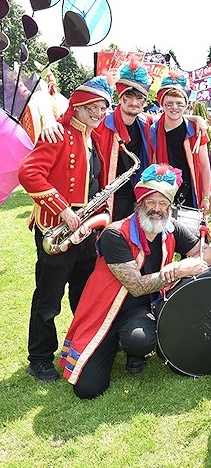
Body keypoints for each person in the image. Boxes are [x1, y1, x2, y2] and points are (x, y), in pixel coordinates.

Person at [58, 164, 211, 399]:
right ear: (140, 203)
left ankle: (133, 351)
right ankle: (109, 345)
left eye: (163, 204)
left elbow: (209, 254)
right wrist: (178, 269)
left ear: (170, 208)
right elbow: (136, 286)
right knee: (87, 390)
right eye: (150, 203)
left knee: (140, 340)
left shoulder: (172, 229)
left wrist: (195, 259)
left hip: (139, 311)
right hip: (104, 313)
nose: (157, 209)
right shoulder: (115, 234)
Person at [18, 77, 113, 382]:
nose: (99, 113)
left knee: (83, 294)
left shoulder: (92, 136)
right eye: (94, 107)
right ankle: (40, 358)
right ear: (79, 106)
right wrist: (62, 209)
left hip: (85, 231)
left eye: (103, 108)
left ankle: (78, 346)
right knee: (49, 297)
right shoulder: (57, 133)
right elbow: (29, 173)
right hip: (56, 228)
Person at [41, 60, 156, 221]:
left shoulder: (147, 122)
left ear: (145, 101)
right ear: (120, 97)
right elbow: (74, 113)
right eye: (128, 97)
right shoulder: (100, 121)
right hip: (106, 200)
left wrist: (196, 119)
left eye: (139, 98)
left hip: (138, 197)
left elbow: (172, 119)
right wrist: (49, 122)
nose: (134, 103)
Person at [151, 73, 211, 214]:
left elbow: (204, 165)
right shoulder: (153, 129)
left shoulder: (195, 130)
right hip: (164, 189)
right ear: (162, 105)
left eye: (179, 104)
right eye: (169, 104)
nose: (174, 108)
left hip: (191, 190)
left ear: (186, 105)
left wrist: (206, 197)